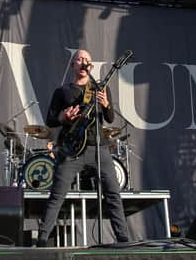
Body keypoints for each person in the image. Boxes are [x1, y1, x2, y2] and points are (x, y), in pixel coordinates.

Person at [36, 49, 129, 247]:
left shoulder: (99, 88)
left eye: (87, 59)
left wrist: (106, 105)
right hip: (72, 149)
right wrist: (63, 117)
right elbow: (51, 121)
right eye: (79, 59)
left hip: (99, 148)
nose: (83, 61)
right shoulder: (62, 91)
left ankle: (124, 239)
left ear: (91, 66)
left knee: (113, 194)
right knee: (57, 195)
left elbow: (110, 118)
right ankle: (42, 240)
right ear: (73, 65)